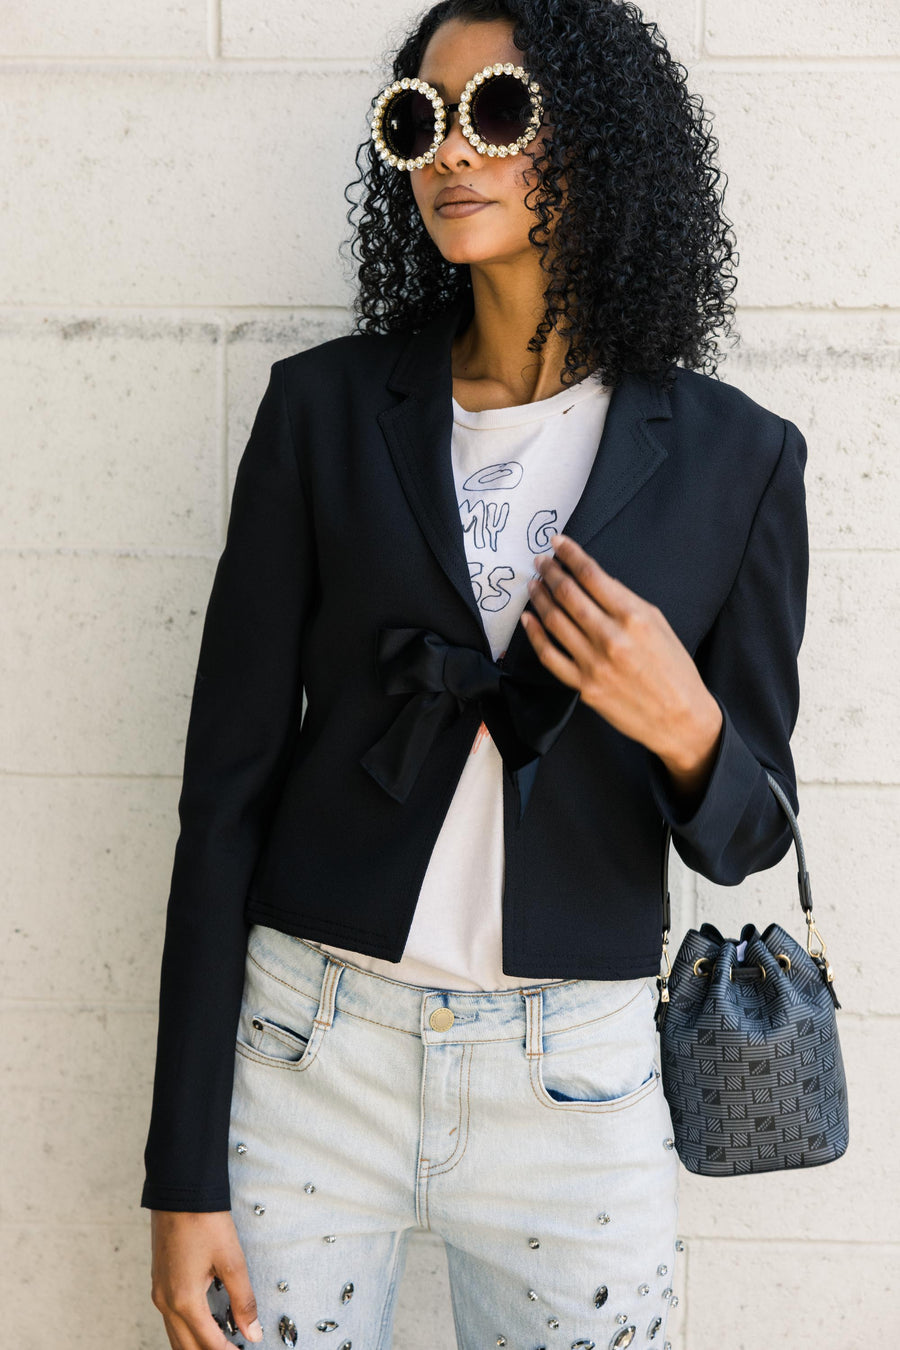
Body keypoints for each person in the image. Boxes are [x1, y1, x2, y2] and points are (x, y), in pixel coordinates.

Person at [143, 2, 810, 1347]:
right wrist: (181, 1170)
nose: (452, 151)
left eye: (494, 110)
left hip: (578, 1079)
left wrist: (682, 719)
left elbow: (750, 833)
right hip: (306, 1050)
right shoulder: (321, 413)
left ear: (601, 141)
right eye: (418, 120)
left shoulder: (739, 458)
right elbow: (220, 802)